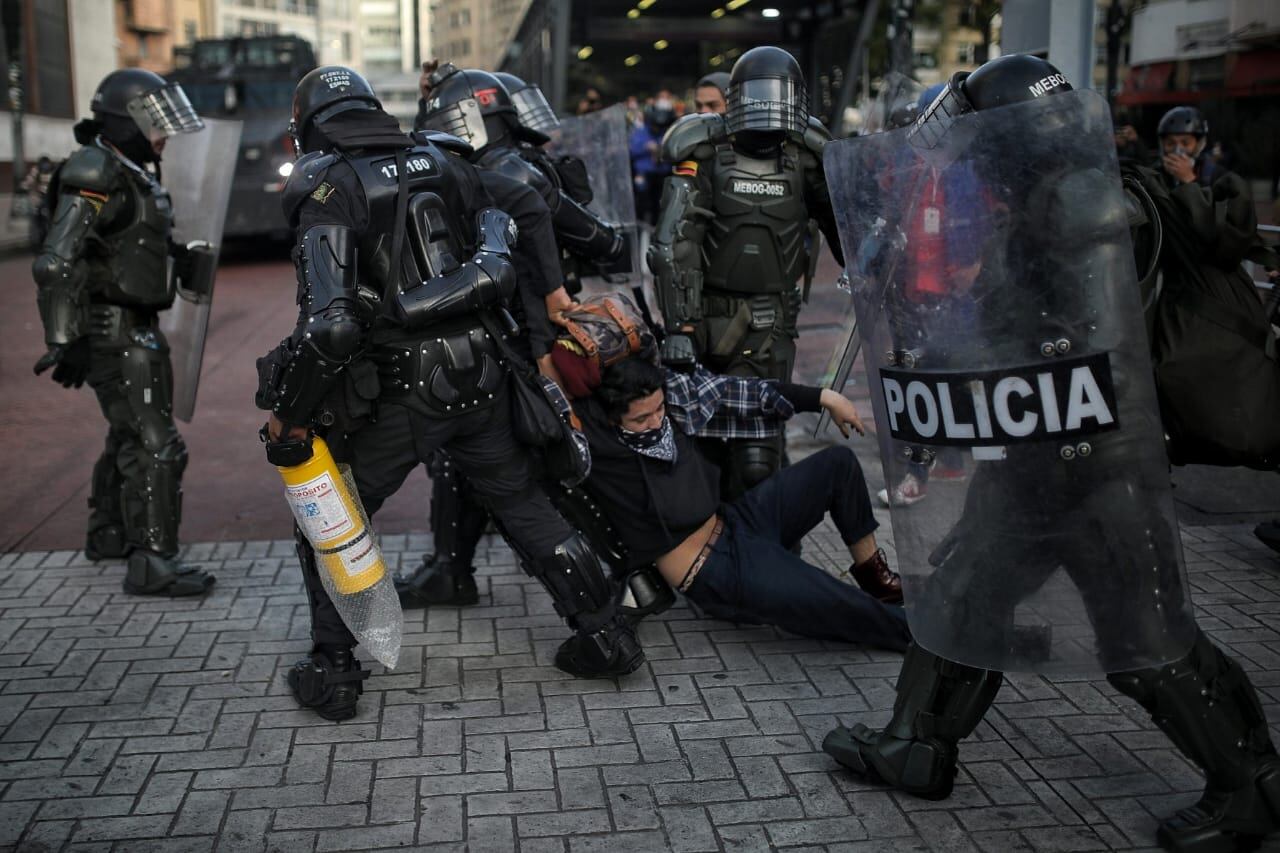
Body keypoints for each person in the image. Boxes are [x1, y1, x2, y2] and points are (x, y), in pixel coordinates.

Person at [818, 55, 1280, 853]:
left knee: (1143, 639)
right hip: (1045, 458)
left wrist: (958, 372)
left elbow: (1061, 337)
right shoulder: (1064, 189)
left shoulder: (1074, 203)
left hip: (1087, 464)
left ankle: (1253, 788)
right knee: (965, 595)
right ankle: (916, 742)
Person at [256, 67, 645, 720]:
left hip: (397, 391)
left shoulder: (330, 185)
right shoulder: (440, 158)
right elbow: (522, 199)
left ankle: (335, 667)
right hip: (482, 375)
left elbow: (333, 324)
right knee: (525, 503)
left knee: (332, 519)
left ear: (310, 126)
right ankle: (603, 632)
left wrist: (289, 414)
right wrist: (550, 283)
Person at [405, 64, 633, 606]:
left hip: (512, 335)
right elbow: (603, 242)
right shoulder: (507, 172)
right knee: (494, 453)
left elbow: (599, 243)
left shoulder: (482, 176)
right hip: (520, 335)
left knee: (516, 455)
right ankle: (453, 569)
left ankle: (620, 574)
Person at [552, 347, 908, 648]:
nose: (655, 421)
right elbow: (546, 386)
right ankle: (925, 642)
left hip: (740, 523)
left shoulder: (673, 402)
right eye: (641, 418)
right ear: (613, 419)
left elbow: (737, 392)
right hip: (717, 572)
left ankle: (877, 581)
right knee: (839, 604)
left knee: (837, 464)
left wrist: (823, 398)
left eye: (658, 410)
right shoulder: (597, 446)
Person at [31, 69, 215, 598]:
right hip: (120, 332)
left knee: (127, 434)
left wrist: (174, 261)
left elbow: (119, 248)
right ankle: (152, 562)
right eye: (155, 121)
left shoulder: (126, 170)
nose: (164, 133)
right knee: (158, 446)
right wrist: (63, 338)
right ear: (127, 120)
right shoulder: (97, 168)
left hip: (130, 327)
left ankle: (109, 533)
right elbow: (56, 262)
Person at [648, 46, 843, 502]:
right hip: (704, 319)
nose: (767, 105)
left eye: (778, 94)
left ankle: (768, 548)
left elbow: (844, 222)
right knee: (698, 450)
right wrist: (680, 326)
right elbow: (676, 242)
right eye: (757, 94)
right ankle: (710, 556)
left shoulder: (808, 155)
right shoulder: (703, 149)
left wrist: (875, 264)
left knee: (759, 457)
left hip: (771, 323)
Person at [1157, 106, 1228, 189]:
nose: (1177, 151)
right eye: (1170, 143)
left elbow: (1209, 202)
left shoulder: (1217, 175)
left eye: (1185, 143)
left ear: (1199, 145)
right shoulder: (1152, 176)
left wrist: (1189, 179)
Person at [629, 97, 676, 224]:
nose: (657, 128)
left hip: (662, 176)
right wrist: (647, 147)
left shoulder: (667, 133)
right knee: (641, 207)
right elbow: (632, 149)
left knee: (659, 208)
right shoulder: (641, 131)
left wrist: (661, 150)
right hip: (644, 176)